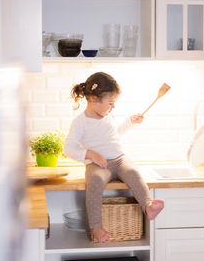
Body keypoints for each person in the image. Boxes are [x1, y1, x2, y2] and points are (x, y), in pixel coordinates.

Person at [64, 71, 164, 243]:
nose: (113, 107)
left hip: (119, 159)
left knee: (134, 172)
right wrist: (89, 154)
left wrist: (130, 122)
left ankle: (148, 206)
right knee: (94, 182)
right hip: (98, 164)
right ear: (94, 99)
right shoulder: (80, 122)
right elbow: (68, 148)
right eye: (110, 103)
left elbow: (115, 134)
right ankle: (96, 227)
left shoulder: (108, 115)